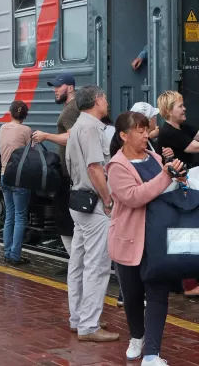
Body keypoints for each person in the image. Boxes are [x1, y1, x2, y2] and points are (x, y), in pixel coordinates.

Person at [107, 111, 185, 366]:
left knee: (157, 294)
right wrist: (166, 176)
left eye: (146, 129)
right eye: (139, 131)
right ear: (123, 136)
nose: (145, 135)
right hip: (130, 240)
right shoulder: (117, 166)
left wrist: (179, 177)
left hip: (157, 239)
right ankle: (137, 337)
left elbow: (167, 189)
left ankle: (151, 353)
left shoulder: (153, 156)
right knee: (131, 295)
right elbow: (134, 197)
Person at [65, 85, 118, 342]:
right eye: (105, 97)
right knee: (97, 265)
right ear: (97, 100)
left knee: (78, 262)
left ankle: (79, 317)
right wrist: (108, 200)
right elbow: (95, 167)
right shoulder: (91, 128)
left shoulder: (77, 125)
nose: (107, 102)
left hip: (78, 200)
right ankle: (89, 325)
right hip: (95, 203)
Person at [155, 90, 199, 297]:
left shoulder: (179, 126)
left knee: (186, 231)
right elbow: (197, 147)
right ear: (169, 111)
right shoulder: (169, 132)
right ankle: (188, 284)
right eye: (180, 106)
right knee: (186, 232)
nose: (184, 108)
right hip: (178, 188)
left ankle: (181, 281)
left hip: (182, 186)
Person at [32, 72, 79, 256]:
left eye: (58, 86)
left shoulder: (71, 110)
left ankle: (76, 261)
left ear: (70, 87)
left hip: (69, 173)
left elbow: (74, 137)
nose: (55, 90)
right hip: (68, 171)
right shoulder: (72, 107)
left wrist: (46, 136)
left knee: (64, 219)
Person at [0, 100, 32, 265]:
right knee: (20, 217)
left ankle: (7, 252)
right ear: (25, 115)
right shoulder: (26, 130)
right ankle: (15, 256)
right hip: (19, 178)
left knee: (9, 215)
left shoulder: (3, 128)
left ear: (10, 112)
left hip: (4, 176)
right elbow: (30, 153)